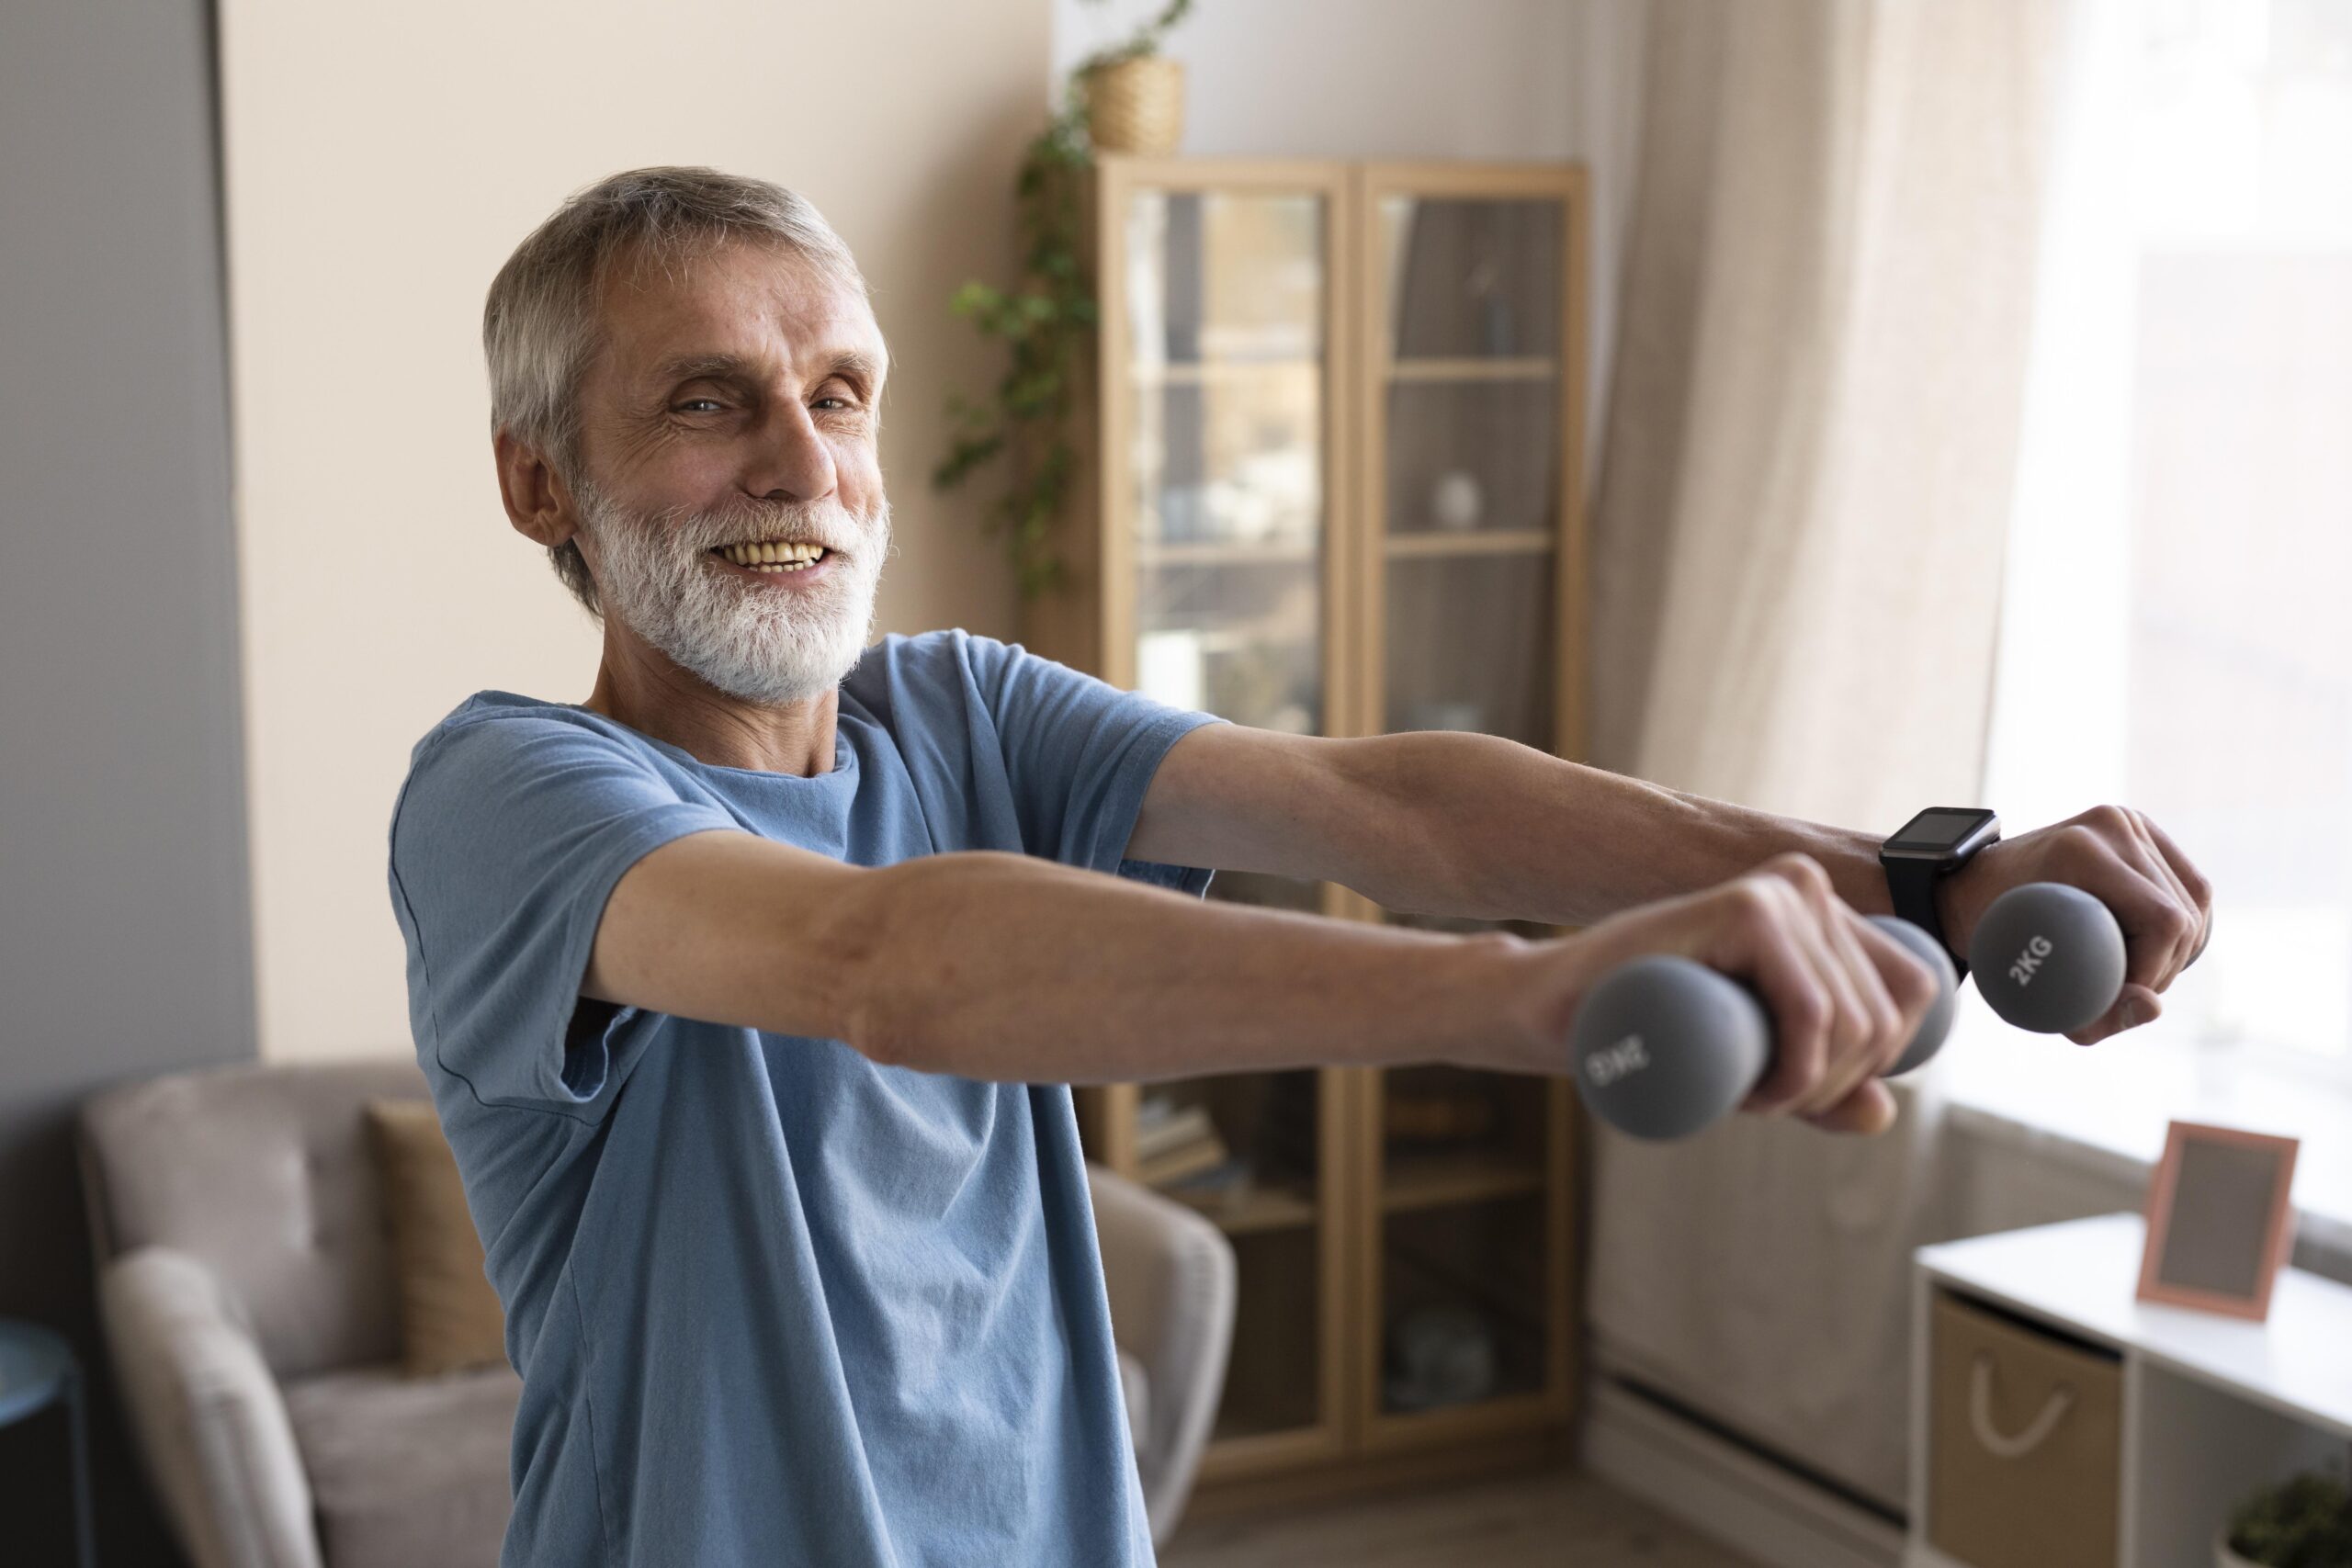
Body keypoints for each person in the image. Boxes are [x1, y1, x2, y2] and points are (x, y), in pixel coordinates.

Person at [386, 166, 2210, 1566]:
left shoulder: (959, 713)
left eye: (840, 395)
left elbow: (1392, 805)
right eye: (711, 401)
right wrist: (1516, 997)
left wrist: (1905, 876)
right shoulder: (512, 794)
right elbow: (883, 961)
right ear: (540, 481)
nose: (804, 461)